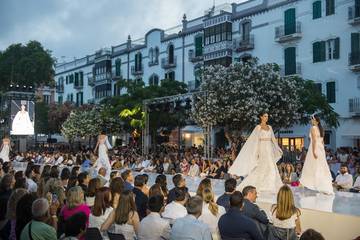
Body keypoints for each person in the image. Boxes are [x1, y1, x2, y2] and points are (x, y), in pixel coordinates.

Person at [228, 112, 283, 193]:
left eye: (267, 116)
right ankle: (260, 185)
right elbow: (255, 141)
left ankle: (271, 186)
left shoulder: (270, 127)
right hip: (262, 148)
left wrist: (278, 148)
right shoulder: (258, 127)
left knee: (272, 167)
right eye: (265, 116)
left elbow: (273, 140)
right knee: (261, 167)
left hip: (269, 149)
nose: (266, 118)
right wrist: (256, 153)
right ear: (261, 117)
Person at [300, 115, 334, 194]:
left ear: (316, 121)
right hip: (320, 149)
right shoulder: (321, 129)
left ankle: (316, 185)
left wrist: (314, 151)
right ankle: (320, 185)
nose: (311, 121)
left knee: (313, 166)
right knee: (321, 166)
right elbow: (322, 142)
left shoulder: (313, 128)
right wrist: (323, 151)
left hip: (314, 148)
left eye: (312, 119)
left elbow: (314, 141)